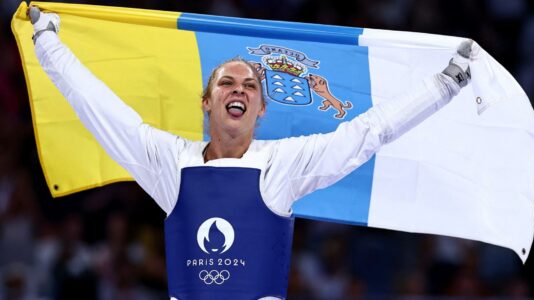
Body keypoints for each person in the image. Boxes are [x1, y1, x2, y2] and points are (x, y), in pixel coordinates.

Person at [29, 6, 472, 300]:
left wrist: (445, 84)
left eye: (249, 86)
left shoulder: (282, 164)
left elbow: (367, 133)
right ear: (207, 102)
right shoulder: (170, 162)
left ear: (260, 110)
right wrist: (47, 42)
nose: (238, 89)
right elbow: (98, 108)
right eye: (226, 82)